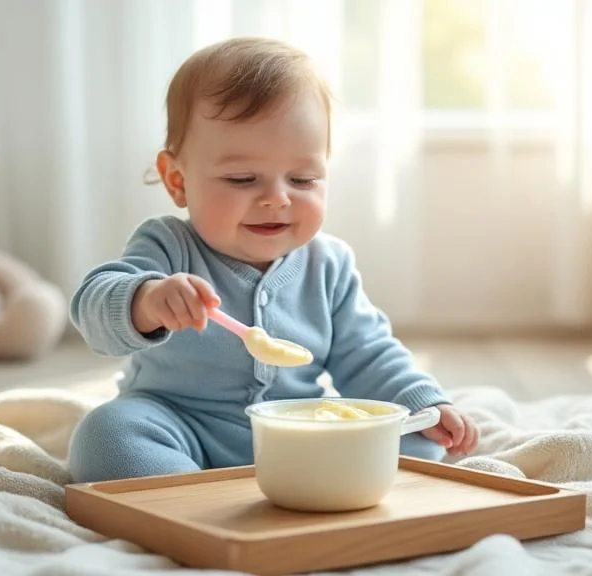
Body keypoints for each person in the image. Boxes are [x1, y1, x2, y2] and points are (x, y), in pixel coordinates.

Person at [67, 37, 479, 482]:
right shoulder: (168, 245)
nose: (277, 199)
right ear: (177, 180)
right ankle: (185, 492)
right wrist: (145, 301)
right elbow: (93, 309)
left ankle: (302, 486)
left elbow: (368, 353)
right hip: (182, 424)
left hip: (297, 431)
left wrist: (421, 402)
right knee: (107, 434)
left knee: (414, 436)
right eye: (242, 178)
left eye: (303, 179)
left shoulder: (328, 265)